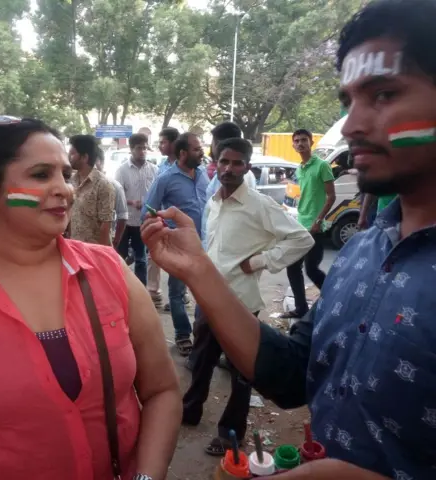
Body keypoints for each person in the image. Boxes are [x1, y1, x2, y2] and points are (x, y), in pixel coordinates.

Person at [142, 1, 436, 477]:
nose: (352, 126)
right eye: (348, 102)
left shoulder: (263, 203)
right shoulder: (363, 251)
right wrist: (196, 267)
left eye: (384, 94)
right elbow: (296, 374)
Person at [0, 117, 181, 480]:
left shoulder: (109, 269)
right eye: (41, 175)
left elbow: (162, 391)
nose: (64, 190)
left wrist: (146, 476)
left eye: (66, 175)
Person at [183, 138, 314, 456]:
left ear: (247, 167)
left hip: (241, 304)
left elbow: (302, 238)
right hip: (208, 300)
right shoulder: (213, 201)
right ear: (216, 162)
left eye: (237, 163)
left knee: (242, 375)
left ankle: (230, 434)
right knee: (200, 362)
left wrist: (258, 262)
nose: (229, 168)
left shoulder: (259, 205)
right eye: (224, 162)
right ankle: (189, 411)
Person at [145, 132, 208, 356]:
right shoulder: (165, 178)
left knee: (206, 290)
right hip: (179, 246)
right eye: (197, 149)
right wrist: (166, 234)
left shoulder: (202, 175)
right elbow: (148, 211)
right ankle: (182, 334)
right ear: (182, 153)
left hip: (206, 243)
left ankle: (204, 335)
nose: (202, 153)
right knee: (177, 291)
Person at [281, 129, 335, 319]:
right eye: (296, 141)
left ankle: (336, 298)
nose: (300, 143)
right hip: (300, 225)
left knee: (311, 269)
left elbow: (331, 196)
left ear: (311, 142)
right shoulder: (300, 168)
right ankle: (301, 308)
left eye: (304, 140)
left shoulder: (322, 166)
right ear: (293, 145)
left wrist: (318, 220)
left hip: (315, 228)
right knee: (293, 267)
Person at [115, 133, 158, 285]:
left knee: (141, 259)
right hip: (125, 221)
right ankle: (119, 287)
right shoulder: (122, 171)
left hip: (144, 221)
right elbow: (117, 196)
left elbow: (157, 195)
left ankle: (141, 291)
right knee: (120, 257)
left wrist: (147, 204)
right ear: (131, 149)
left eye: (145, 148)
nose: (143, 152)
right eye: (139, 148)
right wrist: (132, 202)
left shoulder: (154, 170)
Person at [149, 127, 180, 307]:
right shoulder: (162, 166)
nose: (160, 146)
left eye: (163, 142)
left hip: (177, 223)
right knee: (154, 257)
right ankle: (153, 292)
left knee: (178, 263)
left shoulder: (186, 167)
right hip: (160, 220)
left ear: (174, 143)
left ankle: (179, 296)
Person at [69, 134, 115, 245]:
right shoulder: (72, 181)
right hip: (75, 248)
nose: (69, 157)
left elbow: (105, 226)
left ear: (84, 157)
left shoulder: (103, 184)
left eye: (73, 153)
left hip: (94, 251)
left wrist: (102, 256)